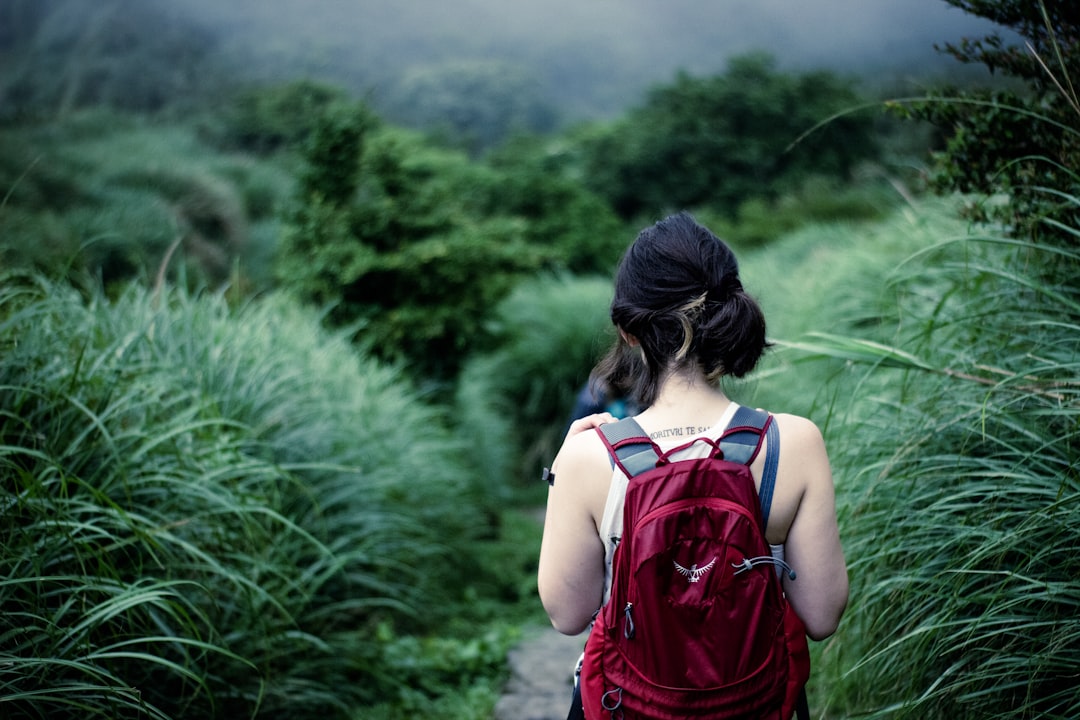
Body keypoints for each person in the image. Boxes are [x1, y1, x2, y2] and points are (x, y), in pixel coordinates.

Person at [537, 212, 848, 707]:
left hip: (629, 706)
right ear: (730, 313)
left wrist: (563, 472)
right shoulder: (794, 442)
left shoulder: (588, 455)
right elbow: (822, 616)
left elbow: (567, 614)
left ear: (628, 331)